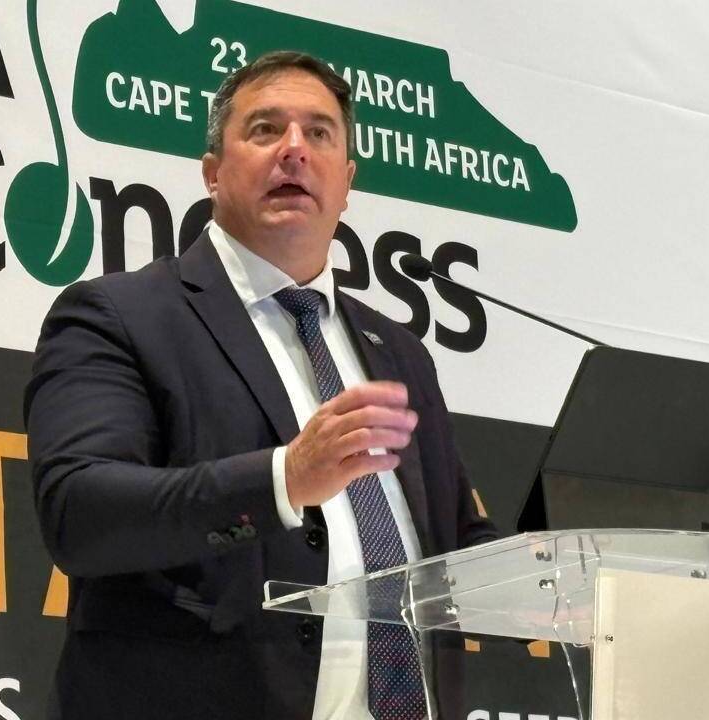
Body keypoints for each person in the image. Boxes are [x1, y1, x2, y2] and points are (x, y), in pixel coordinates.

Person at [24, 50, 496, 720]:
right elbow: (82, 515)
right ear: (213, 172)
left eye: (320, 133)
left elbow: (452, 541)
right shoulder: (122, 316)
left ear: (347, 181)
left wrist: (569, 575)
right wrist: (283, 479)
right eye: (266, 129)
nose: (294, 150)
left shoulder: (399, 353)